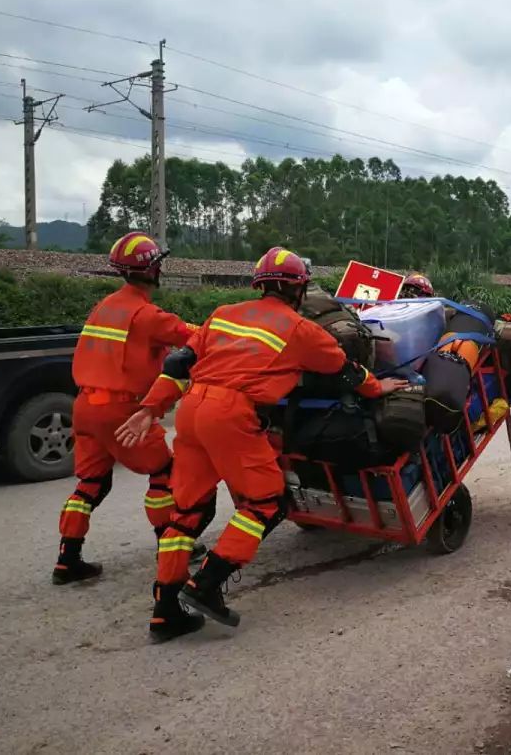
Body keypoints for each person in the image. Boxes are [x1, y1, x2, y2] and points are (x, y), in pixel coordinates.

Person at [116, 247, 408, 641]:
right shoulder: (300, 330)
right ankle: (205, 585)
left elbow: (179, 364)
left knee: (186, 512)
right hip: (232, 414)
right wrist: (379, 387)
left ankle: (165, 611)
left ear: (258, 286)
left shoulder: (222, 314)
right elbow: (345, 371)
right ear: (299, 290)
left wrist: (151, 408)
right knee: (267, 503)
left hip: (191, 409)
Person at [52, 232, 197, 585]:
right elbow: (197, 336)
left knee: (91, 484)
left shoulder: (105, 306)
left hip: (86, 408)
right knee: (165, 474)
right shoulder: (147, 315)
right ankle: (171, 546)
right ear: (150, 270)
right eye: (158, 263)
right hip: (121, 411)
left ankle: (67, 559)